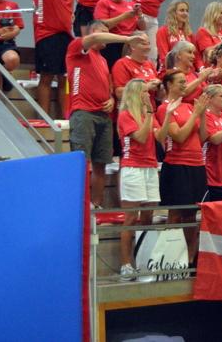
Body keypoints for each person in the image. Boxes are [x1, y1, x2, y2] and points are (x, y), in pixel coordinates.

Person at [33, 0, 129, 118]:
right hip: (47, 35)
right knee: (47, 77)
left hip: (65, 35)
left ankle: (65, 117)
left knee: (64, 77)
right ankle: (44, 118)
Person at [67, 21, 146, 209]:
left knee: (101, 164)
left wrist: (110, 99)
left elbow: (107, 86)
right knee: (81, 162)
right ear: (93, 31)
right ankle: (80, 206)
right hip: (83, 113)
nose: (107, 36)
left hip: (103, 115)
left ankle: (96, 205)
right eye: (104, 31)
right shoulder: (77, 48)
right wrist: (127, 39)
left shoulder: (102, 60)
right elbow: (95, 38)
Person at [117, 79, 177, 281]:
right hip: (133, 168)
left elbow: (160, 136)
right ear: (135, 94)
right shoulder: (126, 115)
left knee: (148, 217)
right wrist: (150, 114)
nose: (148, 95)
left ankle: (144, 261)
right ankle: (126, 264)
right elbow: (141, 137)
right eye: (144, 92)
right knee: (130, 218)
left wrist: (167, 115)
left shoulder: (147, 114)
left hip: (150, 167)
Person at [157, 71, 209, 258]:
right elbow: (178, 136)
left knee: (192, 215)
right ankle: (171, 258)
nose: (184, 85)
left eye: (185, 82)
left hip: (197, 165)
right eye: (180, 82)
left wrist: (202, 114)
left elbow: (203, 137)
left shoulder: (188, 106)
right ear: (169, 85)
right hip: (177, 165)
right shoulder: (165, 108)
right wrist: (196, 113)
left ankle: (190, 258)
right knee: (176, 214)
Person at [93, 0, 144, 69]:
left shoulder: (131, 5)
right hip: (113, 42)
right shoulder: (104, 3)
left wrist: (140, 16)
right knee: (113, 68)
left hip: (130, 42)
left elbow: (143, 27)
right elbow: (102, 25)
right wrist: (124, 16)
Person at [112, 31, 161, 109]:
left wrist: (159, 85)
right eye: (144, 44)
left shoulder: (149, 64)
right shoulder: (122, 64)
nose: (148, 47)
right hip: (132, 111)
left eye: (149, 44)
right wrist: (146, 86)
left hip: (149, 110)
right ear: (132, 46)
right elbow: (119, 93)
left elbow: (158, 95)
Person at [156, 0, 194, 70]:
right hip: (171, 71)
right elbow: (164, 57)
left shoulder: (189, 33)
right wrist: (178, 70)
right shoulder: (163, 31)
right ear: (173, 13)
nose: (185, 13)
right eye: (182, 10)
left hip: (188, 71)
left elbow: (195, 56)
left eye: (187, 11)